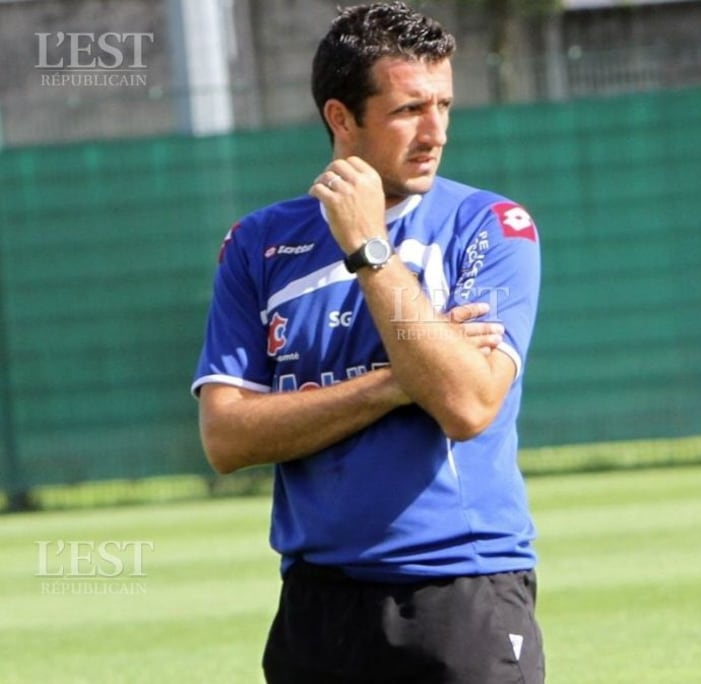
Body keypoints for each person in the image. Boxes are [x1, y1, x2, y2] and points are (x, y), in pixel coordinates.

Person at [191, 4, 544, 682]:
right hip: (313, 606)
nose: (435, 131)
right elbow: (227, 438)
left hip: (460, 596)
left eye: (444, 104)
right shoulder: (258, 244)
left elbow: (468, 404)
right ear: (340, 117)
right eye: (409, 109)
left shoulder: (491, 227)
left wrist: (370, 251)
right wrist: (396, 381)